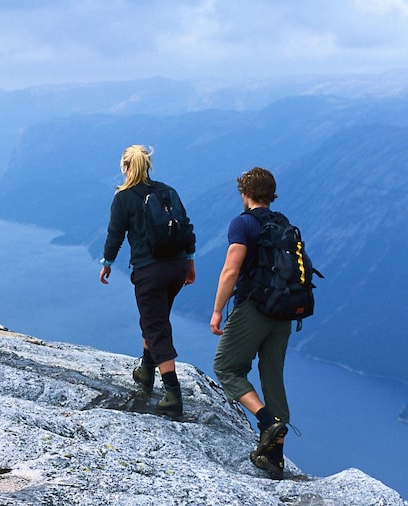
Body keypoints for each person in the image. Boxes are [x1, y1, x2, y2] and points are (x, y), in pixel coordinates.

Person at [99, 145, 196, 418]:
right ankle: (145, 371)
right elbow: (186, 229)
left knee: (156, 326)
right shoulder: (168, 191)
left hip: (149, 271)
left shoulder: (124, 198)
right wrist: (190, 264)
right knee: (154, 318)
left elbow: (115, 234)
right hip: (176, 267)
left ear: (125, 167)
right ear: (148, 166)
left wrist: (107, 263)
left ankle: (172, 395)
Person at [209, 167, 291, 479]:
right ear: (271, 194)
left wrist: (217, 310)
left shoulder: (244, 223)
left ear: (246, 194)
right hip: (283, 313)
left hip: (254, 308)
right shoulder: (284, 224)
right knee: (273, 378)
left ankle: (267, 422)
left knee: (226, 367)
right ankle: (274, 457)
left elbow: (231, 269)